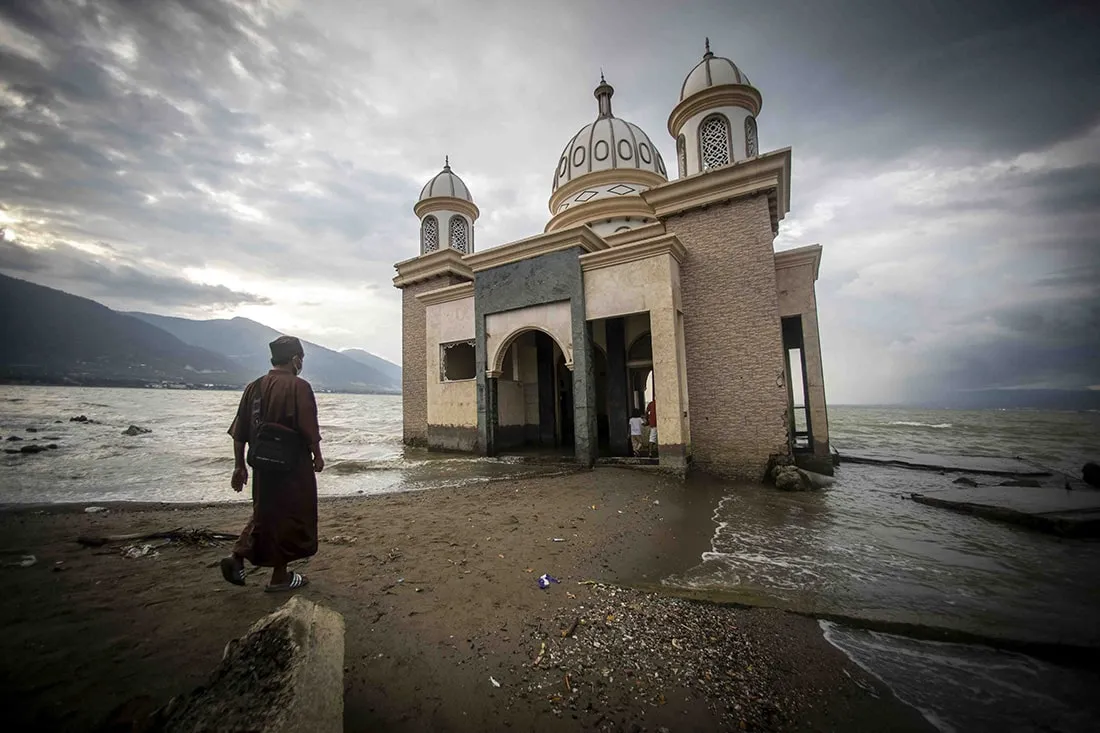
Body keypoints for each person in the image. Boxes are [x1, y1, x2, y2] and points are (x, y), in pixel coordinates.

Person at [220, 336, 324, 592]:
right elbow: (309, 427)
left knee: (265, 512)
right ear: (295, 359)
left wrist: (239, 466)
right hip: (292, 466)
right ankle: (280, 576)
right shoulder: (299, 387)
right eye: (301, 359)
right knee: (293, 515)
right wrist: (317, 456)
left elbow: (239, 431)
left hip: (261, 463)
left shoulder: (253, 387)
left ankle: (237, 557)